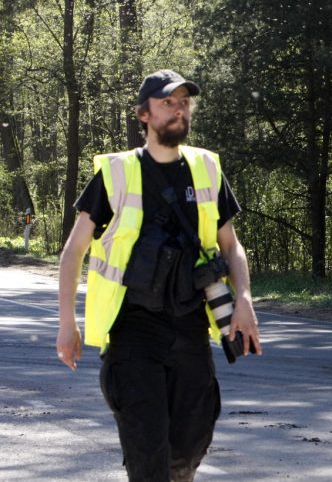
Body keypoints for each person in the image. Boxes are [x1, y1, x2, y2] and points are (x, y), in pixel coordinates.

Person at [56, 69, 262, 482]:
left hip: (189, 327)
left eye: (184, 101)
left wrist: (244, 300)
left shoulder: (206, 169)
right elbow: (74, 250)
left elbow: (231, 245)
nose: (178, 108)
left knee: (189, 444)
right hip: (133, 331)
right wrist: (67, 324)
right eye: (167, 102)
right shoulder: (116, 173)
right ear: (144, 115)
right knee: (147, 451)